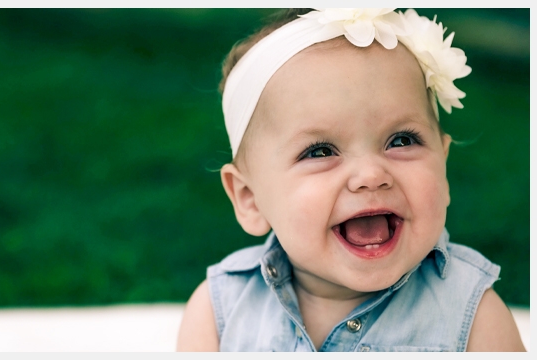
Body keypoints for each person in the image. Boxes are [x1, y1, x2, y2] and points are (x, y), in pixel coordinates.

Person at [176, 8, 525, 352]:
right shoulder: (219, 311)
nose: (371, 175)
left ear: (443, 166)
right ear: (249, 198)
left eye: (402, 140)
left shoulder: (472, 313)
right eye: (320, 151)